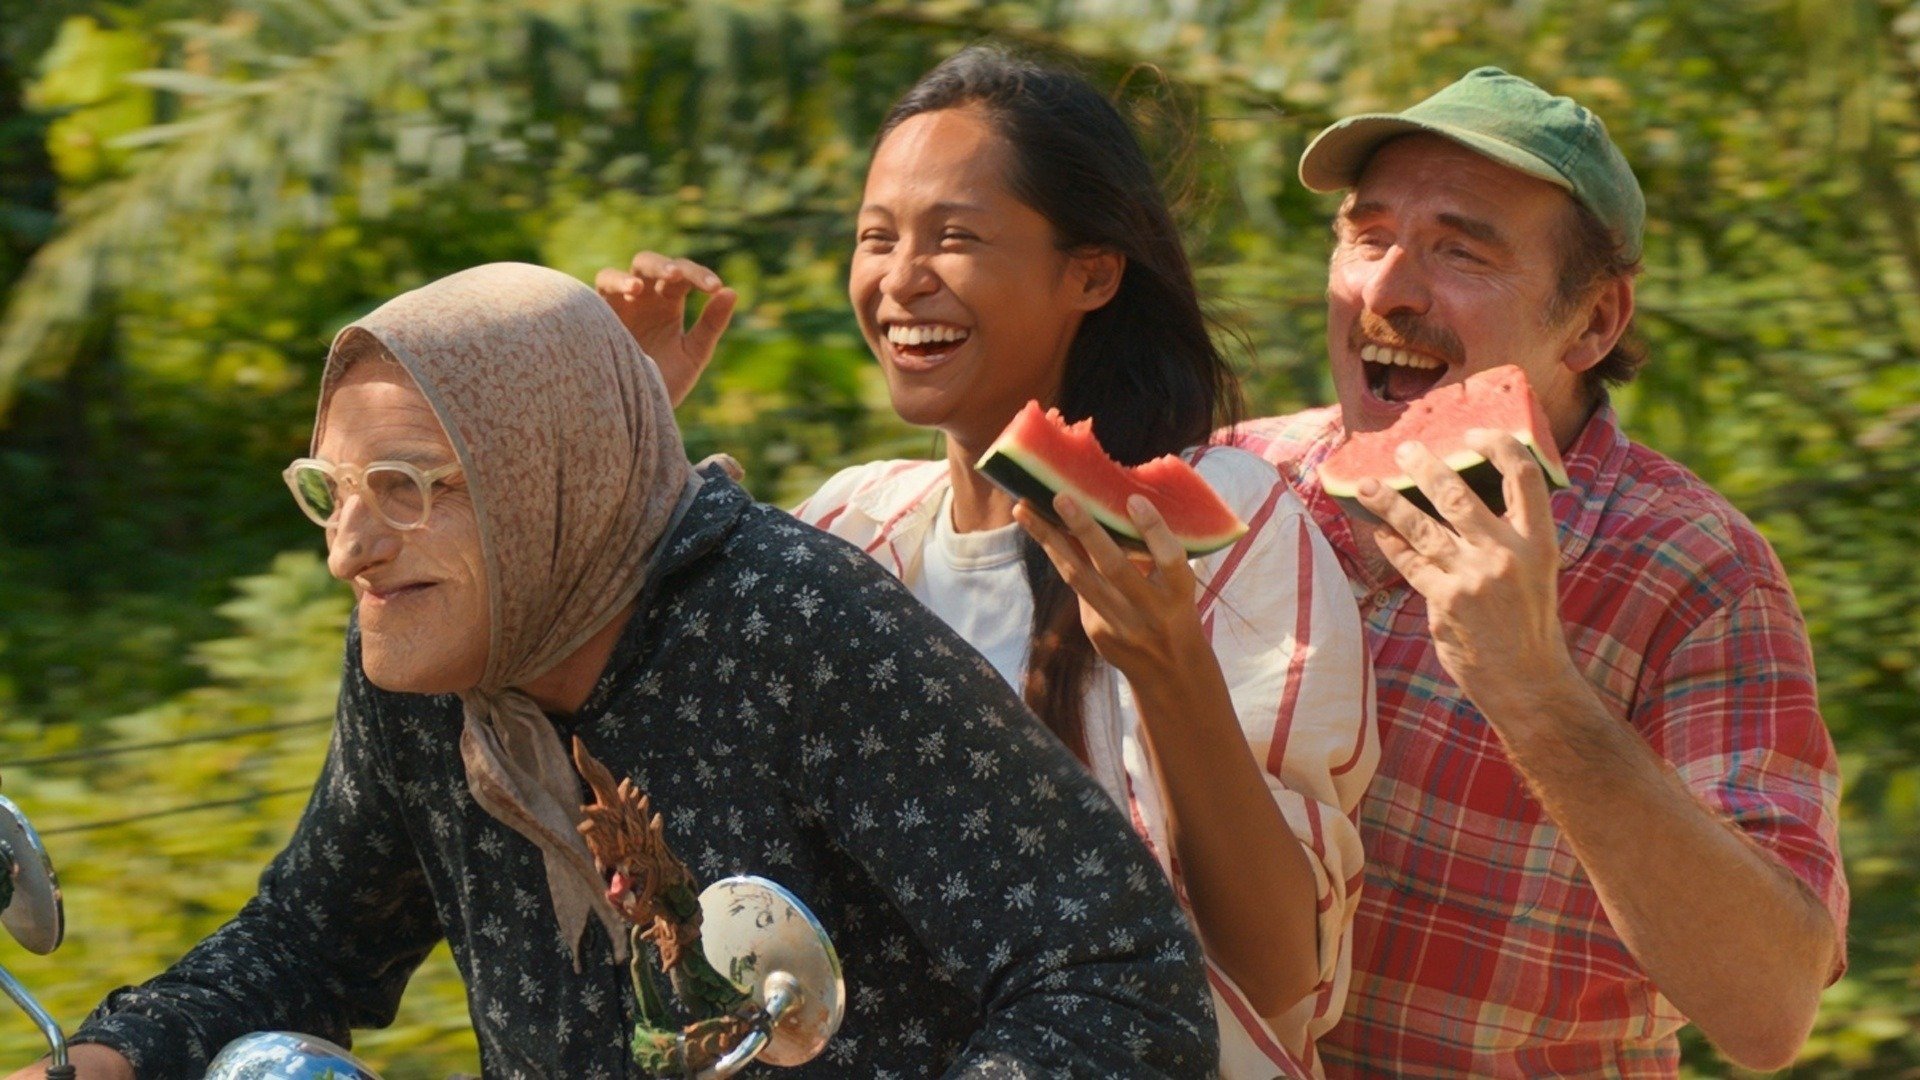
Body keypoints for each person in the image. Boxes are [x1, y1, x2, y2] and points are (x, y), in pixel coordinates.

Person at [9, 263, 1219, 1079]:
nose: (348, 550)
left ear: (557, 476)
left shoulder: (788, 626)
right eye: (329, 493)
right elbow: (314, 941)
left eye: (409, 490)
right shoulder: (428, 671)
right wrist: (106, 1061)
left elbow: (1116, 974)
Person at [598, 47, 1376, 1078]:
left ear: (1091, 272)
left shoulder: (1222, 529)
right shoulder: (849, 527)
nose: (901, 277)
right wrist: (625, 428)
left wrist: (1167, 662)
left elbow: (1280, 979)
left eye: (954, 237)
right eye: (877, 238)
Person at [1230, 68, 1849, 1076]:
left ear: (1594, 324)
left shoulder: (1702, 574)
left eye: (1460, 250)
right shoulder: (1235, 482)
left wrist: (1535, 690)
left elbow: (1769, 1011)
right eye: (1369, 234)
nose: (1387, 289)